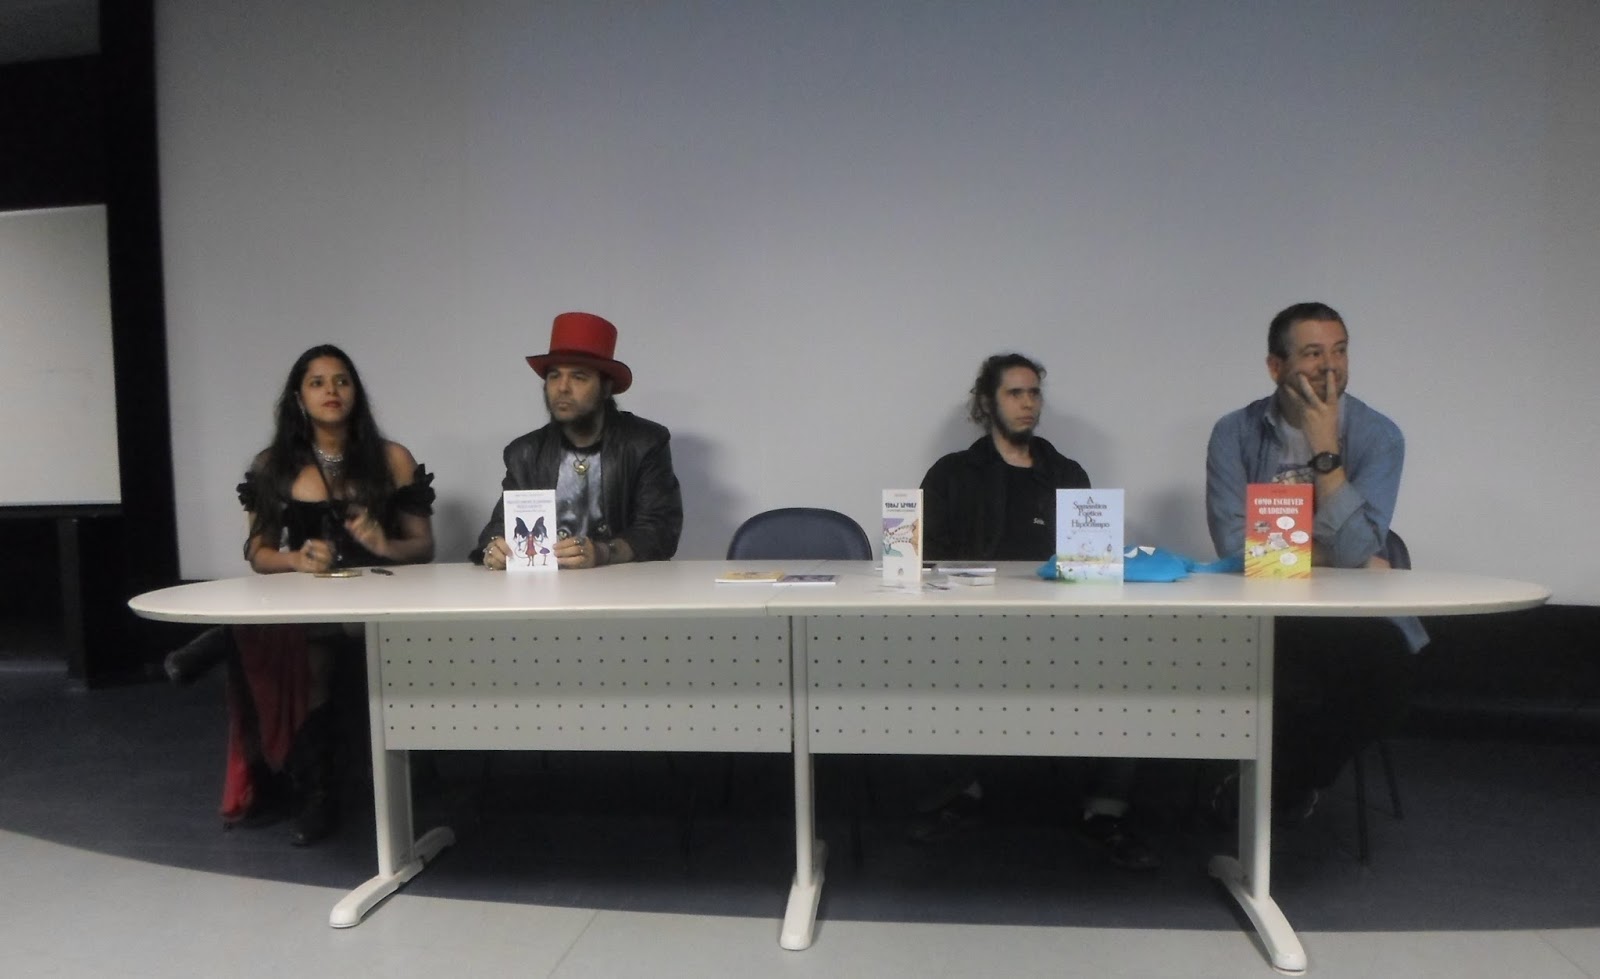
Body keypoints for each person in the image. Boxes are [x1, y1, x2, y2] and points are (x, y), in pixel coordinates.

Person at [917, 352, 1157, 870]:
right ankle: (963, 792)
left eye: (1034, 393)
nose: (1028, 403)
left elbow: (1090, 560)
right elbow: (925, 557)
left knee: (1129, 671)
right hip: (973, 626)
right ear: (987, 403)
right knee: (925, 668)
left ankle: (1105, 811)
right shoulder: (952, 474)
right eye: (1014, 393)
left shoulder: (1067, 473)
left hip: (1063, 627)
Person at [1205, 301, 1427, 819]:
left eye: (1340, 351)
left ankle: (1284, 785)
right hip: (1267, 610)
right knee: (1258, 672)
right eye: (1312, 353)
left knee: (1386, 684)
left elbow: (1354, 550)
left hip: (1352, 617)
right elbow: (1234, 546)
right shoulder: (1234, 433)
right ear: (1275, 366)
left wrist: (1326, 453)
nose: (1330, 366)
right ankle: (1272, 787)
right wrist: (1342, 556)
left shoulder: (1379, 436)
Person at [229, 344, 435, 844]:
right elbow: (258, 553)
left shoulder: (393, 459)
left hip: (385, 599)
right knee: (311, 648)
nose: (331, 391)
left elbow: (423, 547)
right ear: (298, 398)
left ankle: (403, 786)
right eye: (317, 382)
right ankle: (317, 795)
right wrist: (296, 559)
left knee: (363, 643)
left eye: (342, 381)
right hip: (311, 601)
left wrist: (383, 544)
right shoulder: (273, 465)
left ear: (356, 392)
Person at [476, 311, 682, 569]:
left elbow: (660, 531)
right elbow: (499, 527)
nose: (562, 387)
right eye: (554, 376)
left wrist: (603, 553)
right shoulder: (525, 452)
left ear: (606, 388)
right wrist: (494, 548)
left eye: (578, 376)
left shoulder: (645, 443)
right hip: (545, 587)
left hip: (624, 584)